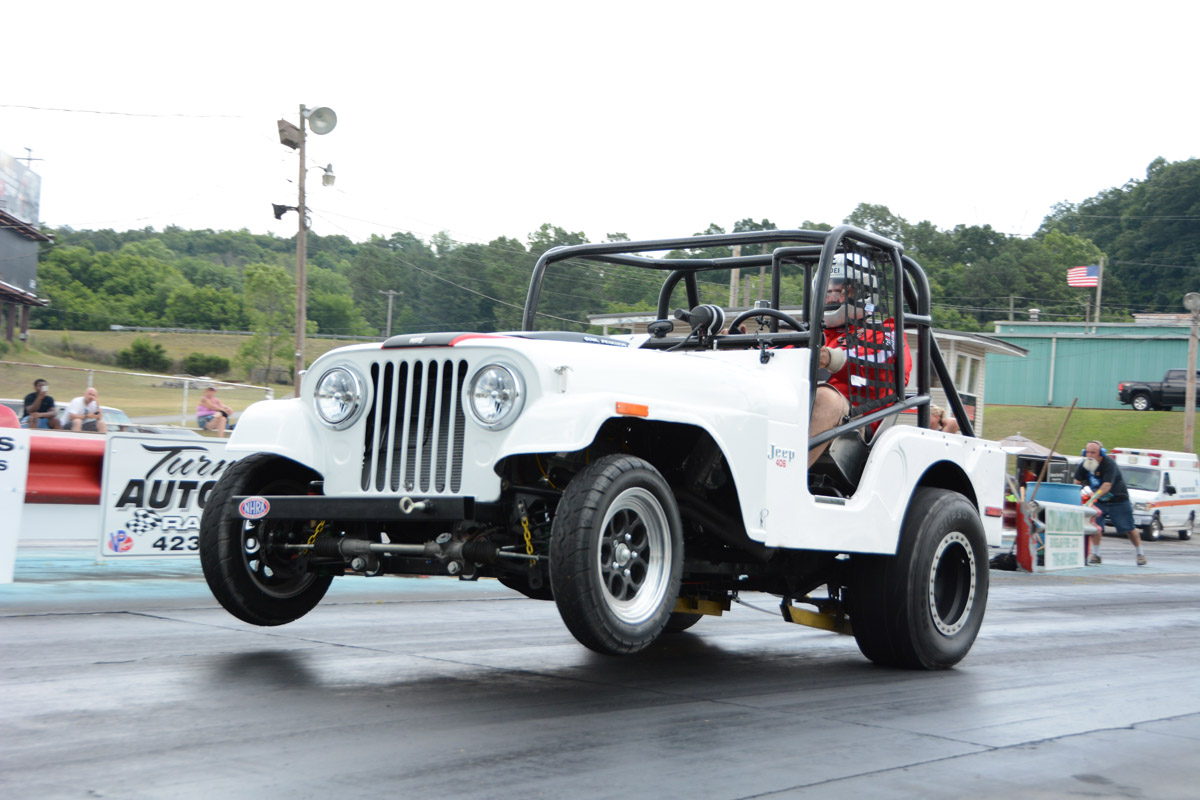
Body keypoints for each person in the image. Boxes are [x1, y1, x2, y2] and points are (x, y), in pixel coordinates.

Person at [808, 254, 912, 467]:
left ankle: (785, 480)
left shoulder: (885, 334)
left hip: (857, 425)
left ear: (863, 292)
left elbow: (884, 361)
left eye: (839, 291)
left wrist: (833, 358)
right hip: (804, 408)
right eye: (826, 291)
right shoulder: (810, 335)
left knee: (826, 399)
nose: (831, 298)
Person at [1074, 440, 1145, 566]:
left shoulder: (1108, 464)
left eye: (1093, 452)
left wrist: (1093, 496)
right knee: (1095, 528)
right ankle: (1096, 554)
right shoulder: (1084, 464)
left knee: (1129, 529)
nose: (1090, 455)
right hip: (1099, 500)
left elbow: (1107, 485)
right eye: (1087, 452)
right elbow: (1076, 482)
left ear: (1101, 453)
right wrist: (1079, 493)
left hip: (1118, 499)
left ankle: (1140, 554)